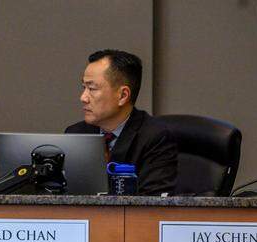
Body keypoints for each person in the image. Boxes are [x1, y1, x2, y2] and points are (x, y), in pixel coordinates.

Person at [65, 49, 177, 196]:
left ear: (123, 95)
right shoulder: (76, 135)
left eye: (92, 88)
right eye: (84, 87)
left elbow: (153, 204)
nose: (83, 97)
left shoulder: (155, 137)